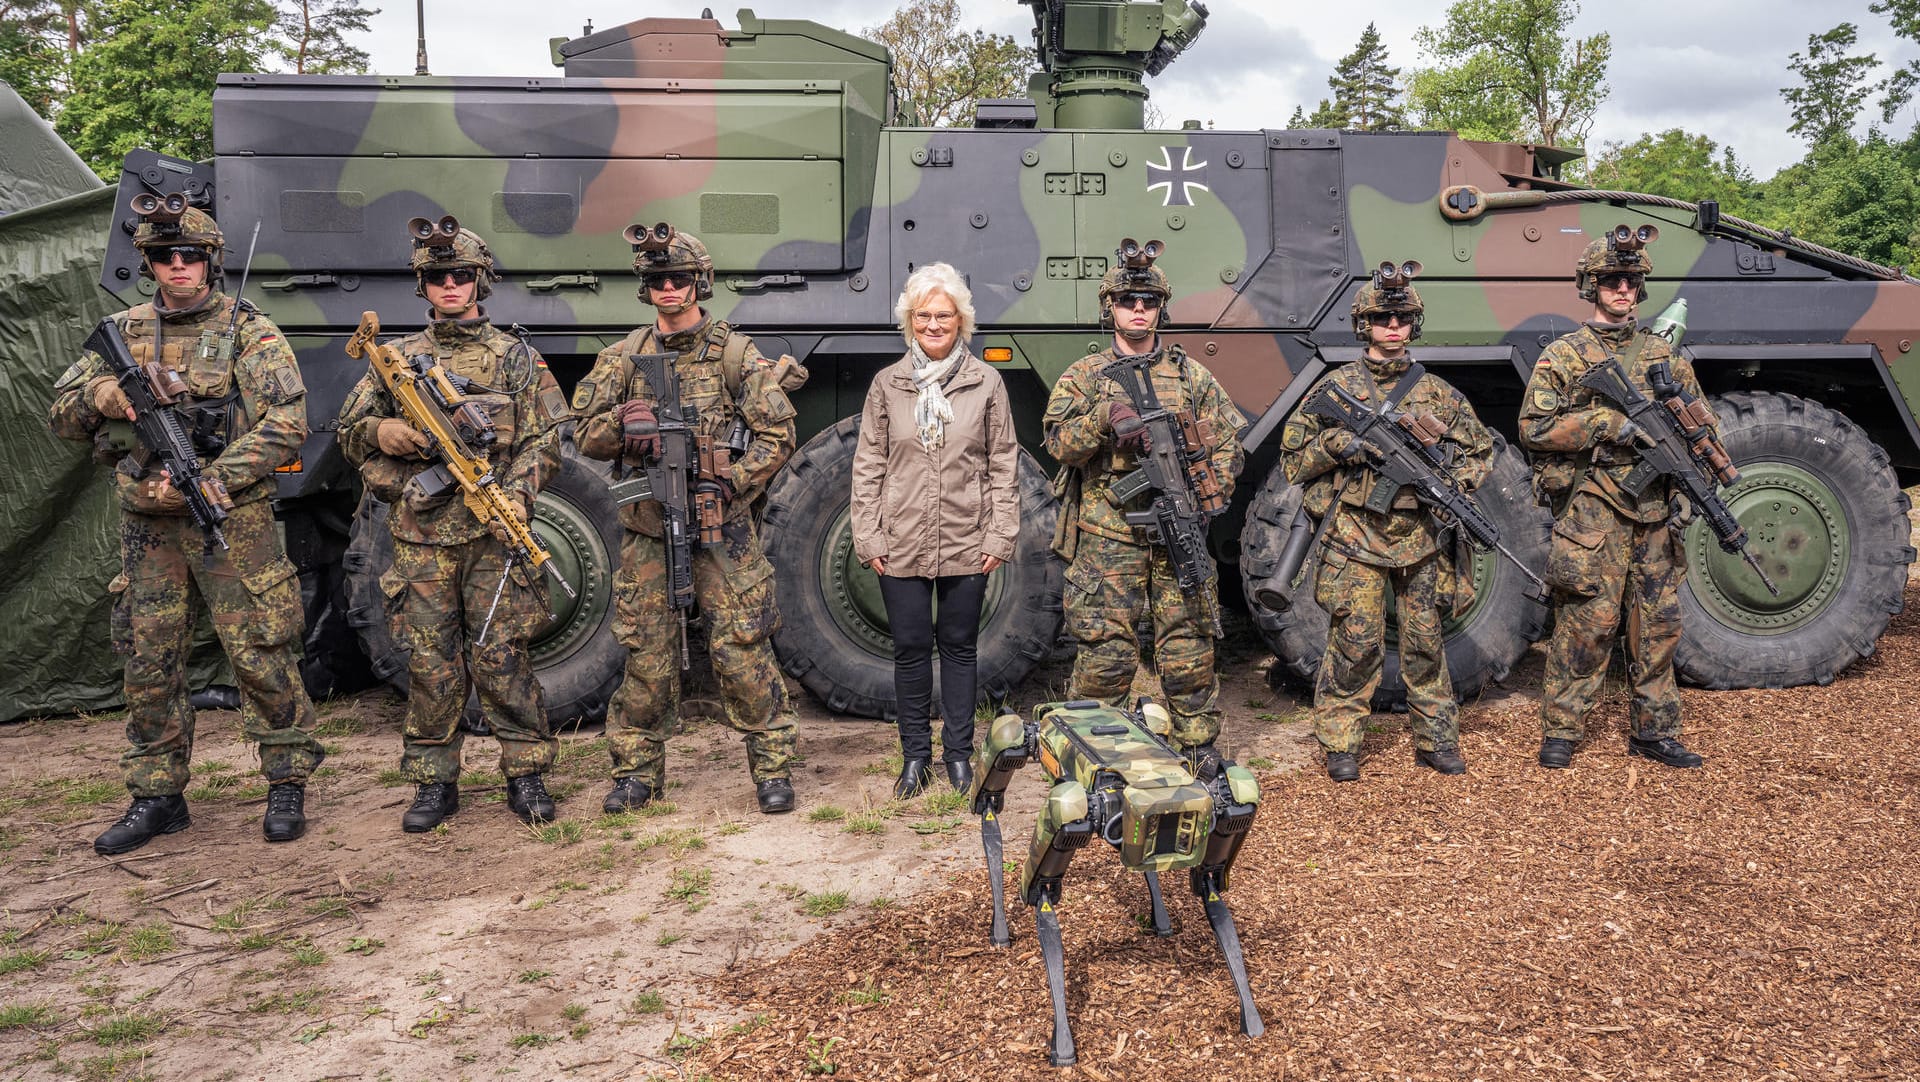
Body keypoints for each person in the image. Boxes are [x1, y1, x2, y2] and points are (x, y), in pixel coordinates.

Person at [49, 201, 326, 855]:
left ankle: (286, 782)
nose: (179, 266)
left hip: (233, 518)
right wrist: (103, 397)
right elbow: (60, 415)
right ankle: (157, 797)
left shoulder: (246, 332)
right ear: (147, 261)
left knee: (261, 654)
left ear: (211, 260)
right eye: (166, 256)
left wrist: (214, 478)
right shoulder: (119, 332)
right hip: (148, 531)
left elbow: (288, 422)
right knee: (150, 664)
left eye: (191, 256)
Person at [337, 220, 569, 830]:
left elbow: (550, 436)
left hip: (493, 534)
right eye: (436, 276)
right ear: (423, 284)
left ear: (479, 281)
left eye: (460, 274)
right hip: (421, 538)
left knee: (503, 655)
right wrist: (383, 431)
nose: (448, 284)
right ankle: (433, 781)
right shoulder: (397, 358)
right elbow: (348, 431)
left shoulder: (515, 357)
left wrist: (518, 492)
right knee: (430, 660)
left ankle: (526, 772)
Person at [572, 224, 807, 814]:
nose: (668, 289)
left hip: (722, 527)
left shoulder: (734, 353)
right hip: (649, 531)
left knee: (742, 645)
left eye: (678, 278)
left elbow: (777, 433)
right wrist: (627, 431)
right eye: (656, 280)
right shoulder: (622, 358)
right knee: (646, 651)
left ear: (698, 282)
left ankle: (772, 769)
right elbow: (582, 434)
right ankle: (635, 774)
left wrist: (729, 483)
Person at [1278, 263, 1494, 781]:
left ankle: (1436, 739)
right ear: (1364, 325)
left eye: (1402, 318)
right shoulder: (1338, 389)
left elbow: (1480, 452)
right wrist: (1343, 444)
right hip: (1355, 536)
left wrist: (1449, 482)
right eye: (1381, 318)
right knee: (1356, 640)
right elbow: (1293, 458)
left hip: (1420, 539)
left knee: (1424, 641)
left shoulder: (1438, 394)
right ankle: (1341, 742)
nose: (1392, 327)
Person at [1041, 238, 1245, 772]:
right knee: (1105, 653)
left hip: (1176, 531)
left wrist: (1203, 492)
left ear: (1161, 309)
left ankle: (1197, 747)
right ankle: (1088, 754)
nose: (1139, 309)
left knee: (1189, 647)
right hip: (1110, 539)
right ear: (1109, 306)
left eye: (1149, 302)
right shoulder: (1083, 377)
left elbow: (1228, 445)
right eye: (1128, 300)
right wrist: (1104, 418)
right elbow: (1060, 444)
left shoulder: (1192, 376)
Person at [1519, 225, 1707, 770]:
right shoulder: (1565, 355)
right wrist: (1607, 424)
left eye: (1630, 280)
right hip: (1593, 509)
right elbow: (1534, 427)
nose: (1622, 288)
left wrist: (1690, 432)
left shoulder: (1665, 357)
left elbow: (1701, 420)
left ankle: (1655, 730)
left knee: (1657, 625)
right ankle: (1562, 728)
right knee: (1586, 623)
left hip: (1653, 512)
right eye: (1610, 280)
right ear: (1590, 285)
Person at [850, 263, 1019, 798]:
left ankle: (959, 756)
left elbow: (1003, 463)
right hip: (900, 539)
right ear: (909, 320)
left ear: (961, 320)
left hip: (968, 537)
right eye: (923, 315)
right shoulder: (888, 385)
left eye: (943, 315)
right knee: (910, 647)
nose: (933, 324)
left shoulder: (985, 382)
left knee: (960, 646)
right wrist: (869, 536)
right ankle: (915, 758)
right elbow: (869, 464)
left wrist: (999, 535)